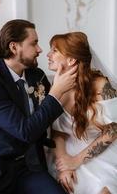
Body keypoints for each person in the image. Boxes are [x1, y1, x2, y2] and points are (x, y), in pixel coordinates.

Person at [0, 19, 77, 194]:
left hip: (30, 166)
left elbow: (58, 116)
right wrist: (56, 92)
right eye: (34, 43)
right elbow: (25, 131)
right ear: (14, 47)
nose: (40, 49)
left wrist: (66, 158)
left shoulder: (37, 76)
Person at [46, 31, 117, 194]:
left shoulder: (101, 84)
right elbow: (58, 133)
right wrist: (64, 164)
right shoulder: (55, 86)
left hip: (100, 146)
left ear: (71, 60)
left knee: (104, 188)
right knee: (71, 184)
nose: (48, 54)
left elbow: (113, 131)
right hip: (66, 147)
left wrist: (76, 161)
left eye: (54, 50)